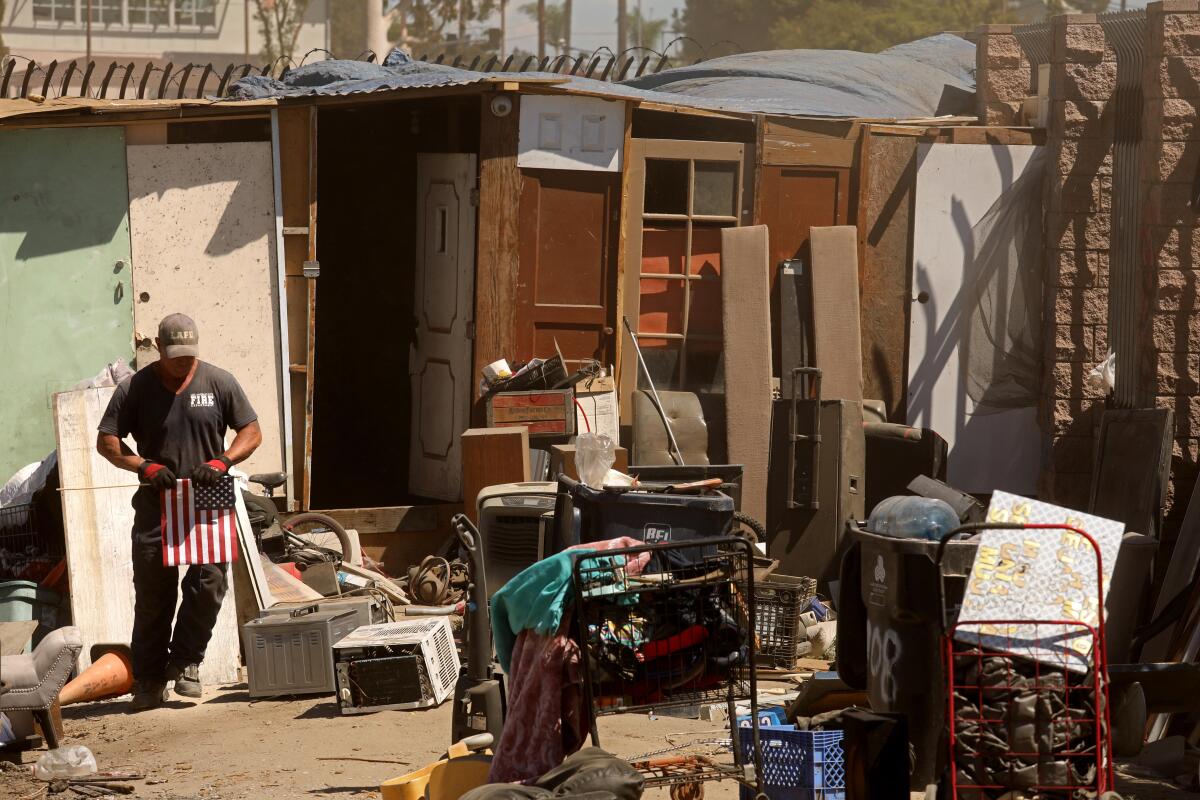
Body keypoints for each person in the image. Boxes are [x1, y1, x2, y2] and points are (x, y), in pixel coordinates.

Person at [96, 313, 262, 711]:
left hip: (209, 495)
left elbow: (251, 431)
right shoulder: (134, 388)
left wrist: (223, 461)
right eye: (175, 357)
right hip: (158, 501)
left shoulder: (218, 381)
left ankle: (187, 662)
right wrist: (143, 466)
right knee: (154, 593)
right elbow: (107, 441)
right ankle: (150, 679)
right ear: (157, 346)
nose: (183, 363)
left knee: (209, 582)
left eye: (189, 356)